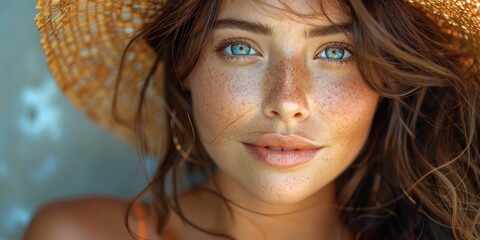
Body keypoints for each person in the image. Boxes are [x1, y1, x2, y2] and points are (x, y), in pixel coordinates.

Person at [25, 0, 479, 239]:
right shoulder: (77, 236)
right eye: (241, 47)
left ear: (390, 79)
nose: (287, 101)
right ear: (185, 66)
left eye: (336, 52)